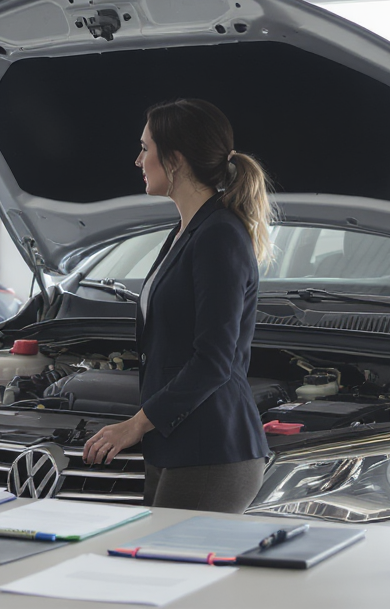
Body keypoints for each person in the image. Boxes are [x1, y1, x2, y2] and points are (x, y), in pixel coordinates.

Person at [81, 98, 274, 513]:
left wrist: (134, 426)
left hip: (213, 448)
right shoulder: (187, 230)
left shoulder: (219, 234)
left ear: (175, 159)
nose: (138, 160)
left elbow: (214, 360)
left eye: (145, 148)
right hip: (174, 444)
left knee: (171, 570)